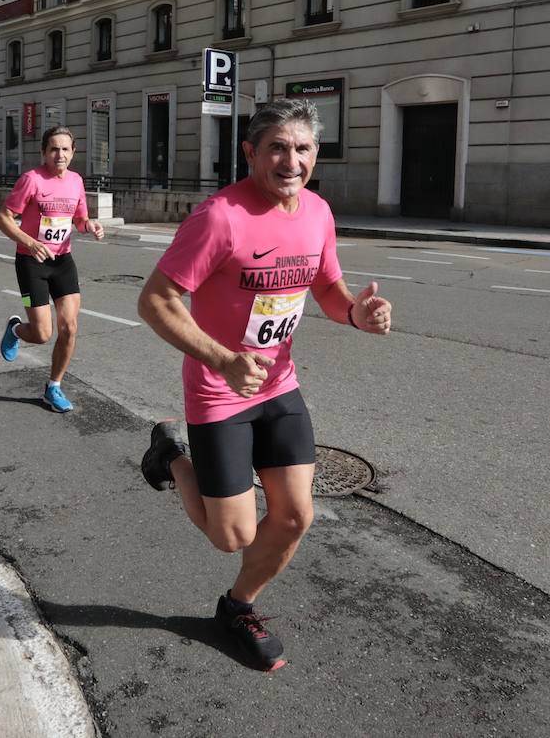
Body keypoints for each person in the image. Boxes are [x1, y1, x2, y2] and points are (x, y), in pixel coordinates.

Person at [135, 99, 392, 672]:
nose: (290, 160)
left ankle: (238, 607)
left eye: (301, 148)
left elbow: (326, 286)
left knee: (297, 516)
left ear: (315, 154)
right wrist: (222, 359)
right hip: (219, 390)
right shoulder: (220, 217)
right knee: (232, 535)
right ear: (251, 152)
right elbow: (154, 300)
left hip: (278, 386)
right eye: (277, 146)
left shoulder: (318, 213)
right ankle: (172, 454)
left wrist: (357, 313)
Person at [0, 126, 104, 413]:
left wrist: (89, 226)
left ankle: (54, 386)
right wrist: (29, 243)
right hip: (31, 263)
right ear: (44, 152)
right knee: (43, 334)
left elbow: (80, 219)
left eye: (65, 149)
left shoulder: (76, 181)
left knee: (69, 327)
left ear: (73, 152)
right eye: (54, 149)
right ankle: (16, 330)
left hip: (62, 261)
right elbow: (3, 218)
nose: (60, 154)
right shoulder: (31, 180)